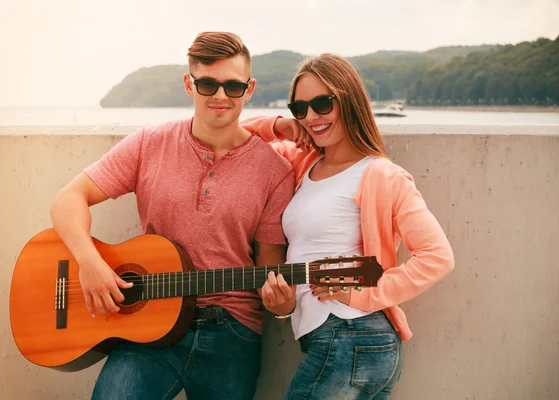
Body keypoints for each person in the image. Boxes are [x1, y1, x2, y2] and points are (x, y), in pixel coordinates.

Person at [50, 32, 294, 400]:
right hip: (146, 325)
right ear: (188, 84)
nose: (220, 96)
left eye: (233, 86)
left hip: (232, 333)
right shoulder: (150, 143)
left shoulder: (276, 171)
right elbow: (68, 199)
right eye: (208, 84)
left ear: (249, 88)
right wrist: (90, 263)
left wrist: (284, 305)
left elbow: (270, 265)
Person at [242, 53, 455, 399]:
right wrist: (281, 126)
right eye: (300, 108)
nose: (311, 117)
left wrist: (365, 293)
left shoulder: (382, 176)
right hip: (337, 343)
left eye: (323, 104)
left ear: (349, 101)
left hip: (353, 336)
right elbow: (234, 137)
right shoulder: (303, 162)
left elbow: (437, 256)